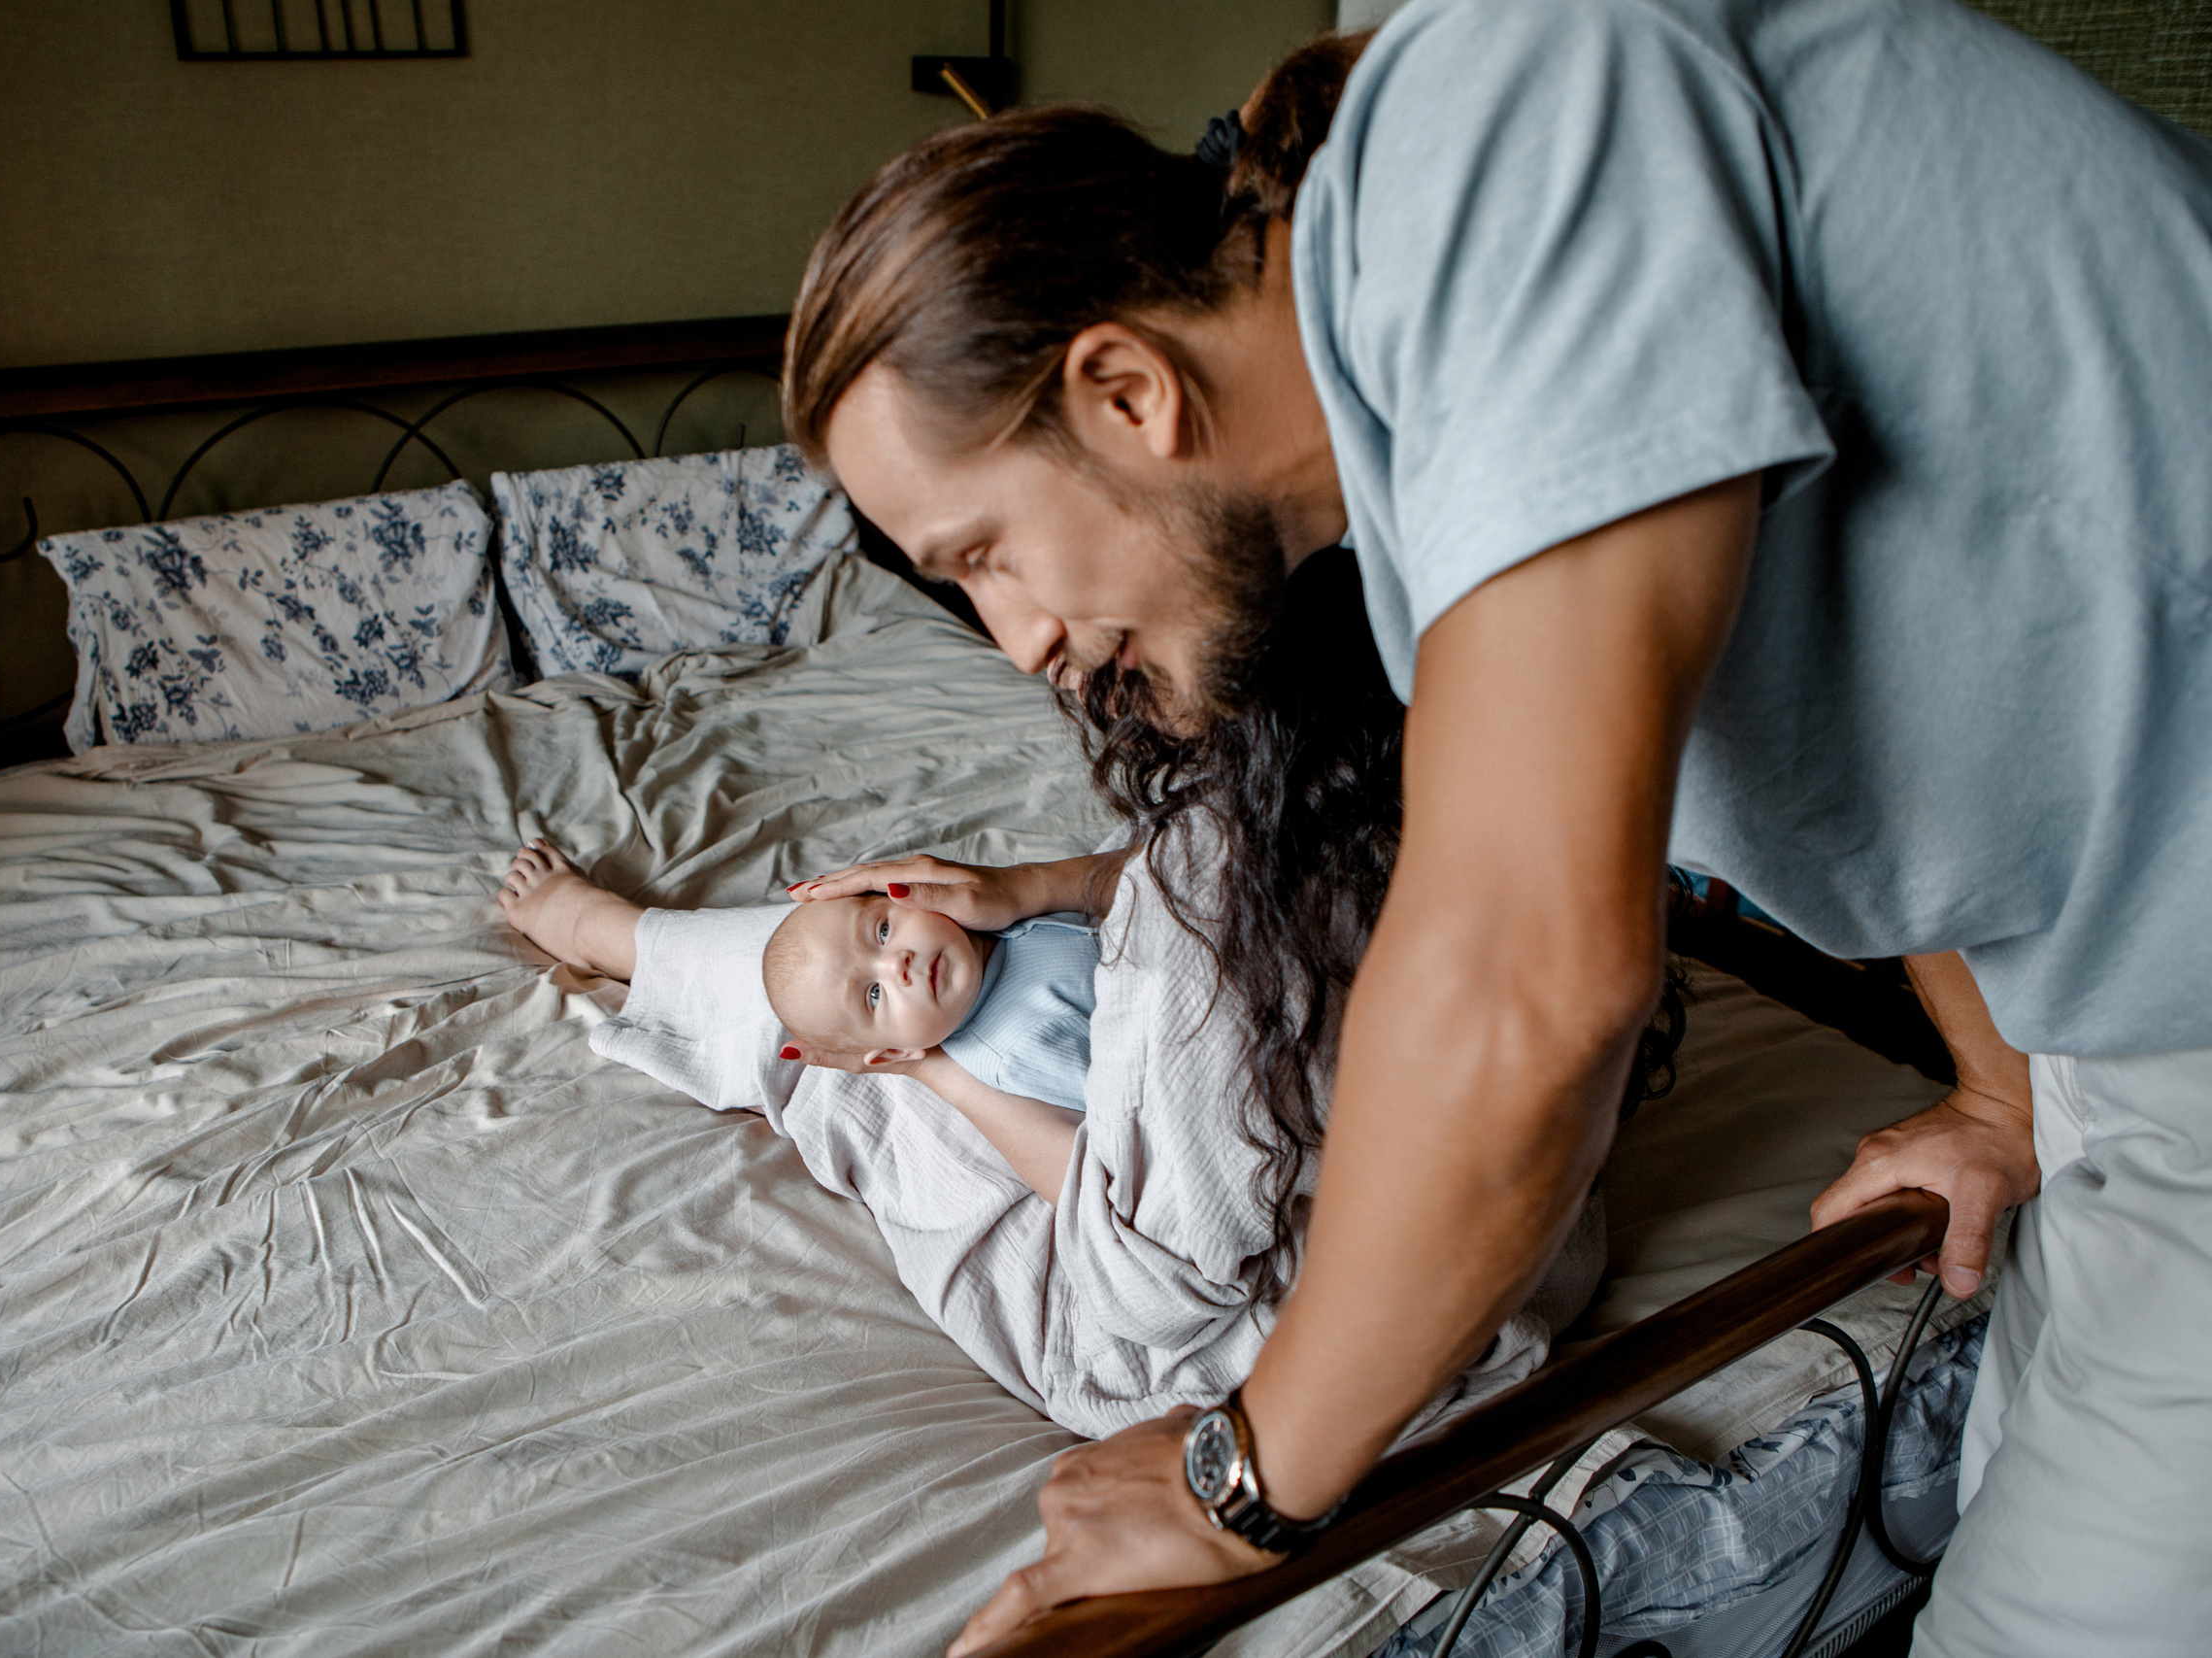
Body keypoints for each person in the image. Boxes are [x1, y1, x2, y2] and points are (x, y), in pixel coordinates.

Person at [776, 3, 2212, 1653]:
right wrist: (2001, 1089)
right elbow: (1896, 701)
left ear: (1123, 390)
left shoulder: (1499, 130)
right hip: (2108, 1009)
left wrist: (1241, 1479)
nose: (1021, 638)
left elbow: (1526, 971)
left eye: (980, 555)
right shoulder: (1430, 519)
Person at [496, 837, 1096, 1201]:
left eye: (883, 930)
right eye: (874, 995)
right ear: (892, 1054)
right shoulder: (1009, 1058)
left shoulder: (1004, 921)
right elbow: (1084, 1171)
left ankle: (623, 939)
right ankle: (613, 939)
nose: (899, 963)